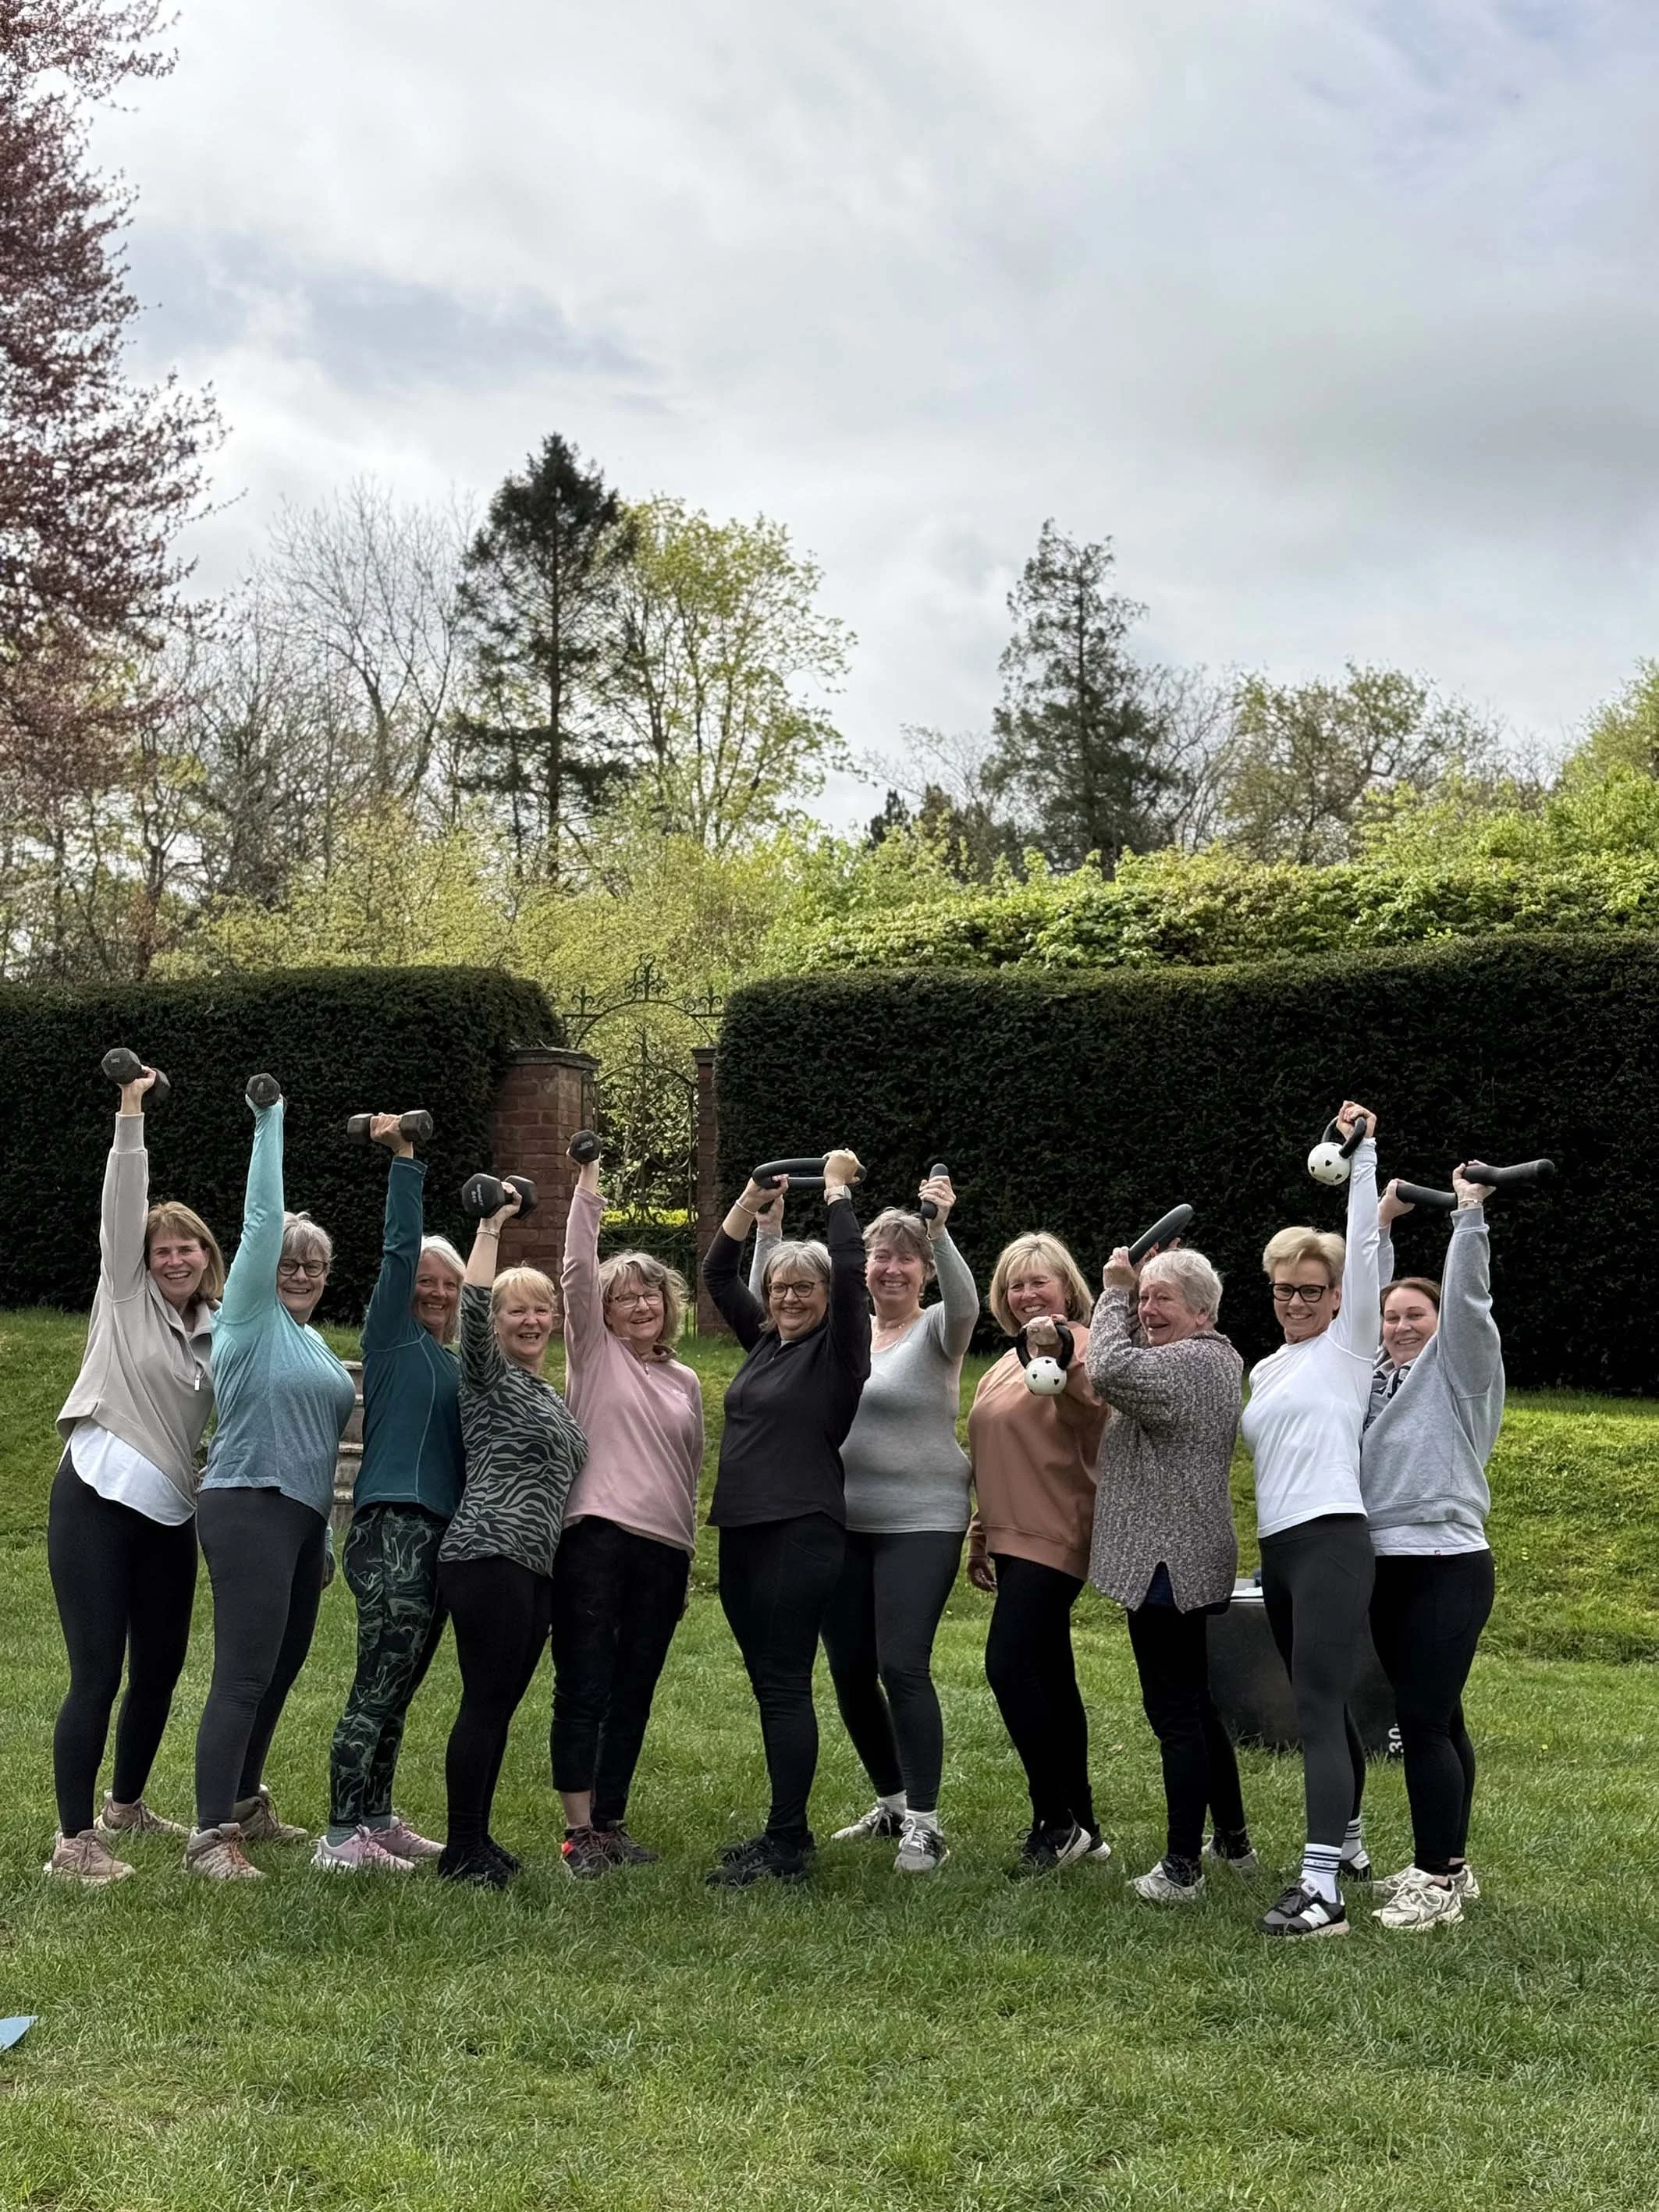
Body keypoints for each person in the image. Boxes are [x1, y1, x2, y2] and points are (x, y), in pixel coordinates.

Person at [751, 1173, 977, 1875]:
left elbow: (966, 1298)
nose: (890, 1267)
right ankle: (893, 1800)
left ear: (921, 1269)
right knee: (849, 1670)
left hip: (923, 1518)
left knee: (901, 1663)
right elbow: (769, 1305)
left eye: (906, 1257)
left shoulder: (941, 1329)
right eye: (880, 1255)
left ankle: (929, 1824)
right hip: (840, 1519)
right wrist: (768, 1227)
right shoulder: (840, 1331)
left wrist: (939, 1231)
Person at [44, 1063, 222, 1886]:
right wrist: (131, 1113)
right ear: (142, 1259)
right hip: (96, 1494)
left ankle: (126, 1804)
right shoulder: (122, 1296)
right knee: (98, 1671)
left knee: (160, 1668)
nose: (175, 1256)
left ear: (206, 1257)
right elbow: (124, 1202)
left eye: (187, 1246)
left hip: (170, 1510)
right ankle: (74, 1840)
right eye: (163, 1248)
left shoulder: (219, 1332)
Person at [188, 1078, 357, 1880]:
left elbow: (318, 1443)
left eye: (313, 1263)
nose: (299, 1271)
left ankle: (246, 1805)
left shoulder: (315, 1344)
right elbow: (262, 1220)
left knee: (279, 1670)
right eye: (289, 1261)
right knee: (244, 1671)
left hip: (296, 1520)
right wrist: (269, 1119)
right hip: (248, 1503)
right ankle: (207, 1837)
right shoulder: (247, 1318)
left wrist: (320, 1536)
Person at [699, 1149, 871, 1887]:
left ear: (827, 1296)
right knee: (770, 1681)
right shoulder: (767, 1341)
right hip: (741, 1528)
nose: (791, 1297)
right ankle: (785, 1832)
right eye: (780, 1287)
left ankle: (788, 1846)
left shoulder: (839, 1354)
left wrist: (835, 1196)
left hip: (800, 1528)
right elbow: (714, 1275)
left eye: (804, 1287)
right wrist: (746, 1199)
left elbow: (854, 1275)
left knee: (785, 1682)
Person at [1239, 1098, 1380, 1938]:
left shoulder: (1348, 1345)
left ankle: (1320, 1891)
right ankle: (1351, 1846)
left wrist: (1361, 1156)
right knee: (1315, 1701)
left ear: (1334, 1297)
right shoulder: (1267, 1367)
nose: (1294, 1300)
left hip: (1331, 1539)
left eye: (1309, 1289)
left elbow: (1363, 1247)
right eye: (1283, 1288)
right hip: (1279, 1550)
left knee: (1318, 1712)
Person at [316, 1115, 466, 1873]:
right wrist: (405, 1159)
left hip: (438, 1535)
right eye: (426, 1283)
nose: (436, 1291)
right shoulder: (392, 1338)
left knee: (401, 1686)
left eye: (449, 1284)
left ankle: (376, 1817)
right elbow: (400, 1248)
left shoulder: (450, 1361)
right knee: (376, 1681)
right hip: (394, 1530)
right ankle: (340, 1836)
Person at [1360, 1166, 1504, 1932]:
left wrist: (1468, 1219)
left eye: (1415, 1314)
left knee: (1417, 1721)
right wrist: (1377, 1229)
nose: (1399, 1325)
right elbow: (1359, 1309)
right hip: (1383, 1564)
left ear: (1439, 1320)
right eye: (1392, 1318)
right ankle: (1454, 1863)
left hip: (1447, 1562)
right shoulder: (1371, 1378)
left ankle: (1435, 1879)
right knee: (1439, 1717)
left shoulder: (1460, 1373)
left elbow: (1470, 1305)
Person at [552, 1149, 703, 1877]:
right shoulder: (594, 1353)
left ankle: (610, 1822)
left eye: (651, 1295)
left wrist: (688, 1559)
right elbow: (578, 1271)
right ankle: (578, 1833)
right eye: (626, 1298)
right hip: (598, 1537)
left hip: (664, 1550)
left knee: (635, 1689)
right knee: (586, 1682)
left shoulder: (686, 1380)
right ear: (604, 1313)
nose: (640, 1305)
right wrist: (588, 1185)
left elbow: (690, 1468)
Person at [1087, 1241, 1252, 1903]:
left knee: (1175, 1715)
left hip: (1167, 1565)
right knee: (1198, 1707)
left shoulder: (1192, 1363)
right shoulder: (1201, 1360)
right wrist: (1136, 1294)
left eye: (1162, 1299)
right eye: (1144, 1296)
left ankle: (1182, 1867)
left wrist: (1113, 1291)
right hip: (1177, 1560)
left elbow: (1104, 1365)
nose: (1147, 1309)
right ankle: (1233, 1841)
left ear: (1203, 1311)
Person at [436, 1184, 587, 1887]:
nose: (532, 1319)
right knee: (485, 1701)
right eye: (516, 1309)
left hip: (534, 1566)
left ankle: (478, 1838)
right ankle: (461, 1846)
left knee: (499, 1707)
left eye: (541, 1309)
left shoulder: (547, 1393)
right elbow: (469, 1305)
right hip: (487, 1553)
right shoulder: (487, 1375)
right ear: (496, 1323)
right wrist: (491, 1225)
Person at [967, 1232, 1108, 1875]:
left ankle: (1055, 1820)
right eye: (1015, 1284)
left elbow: (1095, 1414)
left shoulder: (1085, 1344)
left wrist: (1066, 1354)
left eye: (1039, 1281)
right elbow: (996, 1454)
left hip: (1056, 1530)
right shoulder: (1005, 1360)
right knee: (1053, 1677)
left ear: (1067, 1287)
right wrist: (980, 1533)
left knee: (1009, 1665)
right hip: (1011, 1533)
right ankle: (1083, 1823)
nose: (1027, 1294)